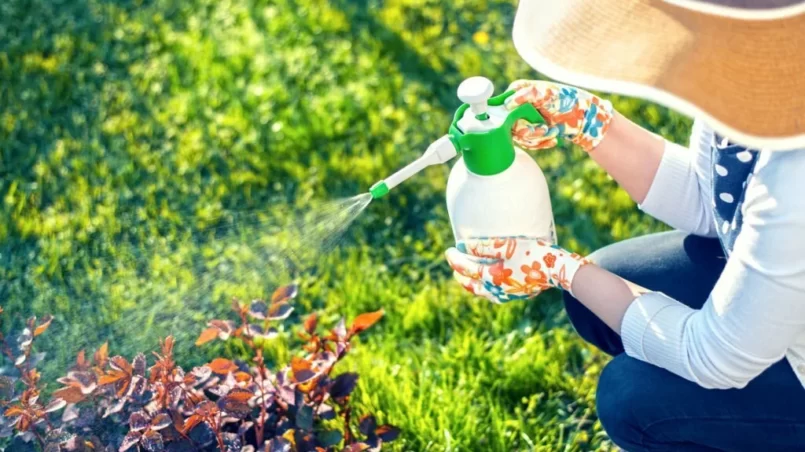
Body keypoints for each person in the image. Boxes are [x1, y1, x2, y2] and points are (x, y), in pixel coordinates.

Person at [444, 0, 805, 450]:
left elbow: (716, 358)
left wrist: (562, 270)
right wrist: (591, 122)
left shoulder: (796, 171)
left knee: (631, 398)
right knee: (602, 290)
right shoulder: (759, 75)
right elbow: (713, 199)